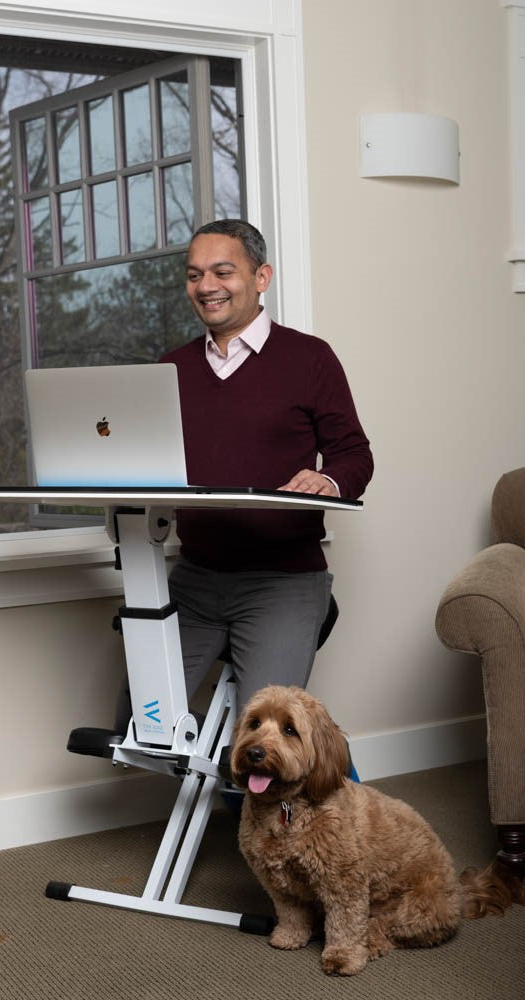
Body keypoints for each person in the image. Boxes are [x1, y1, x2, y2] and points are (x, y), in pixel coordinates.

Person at [158, 219, 373, 718]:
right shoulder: (169, 368)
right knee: (142, 720)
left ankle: (281, 794)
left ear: (261, 277)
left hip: (283, 582)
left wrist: (329, 480)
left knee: (270, 734)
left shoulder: (310, 358)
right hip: (193, 579)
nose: (206, 286)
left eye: (222, 271)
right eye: (194, 275)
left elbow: (354, 453)